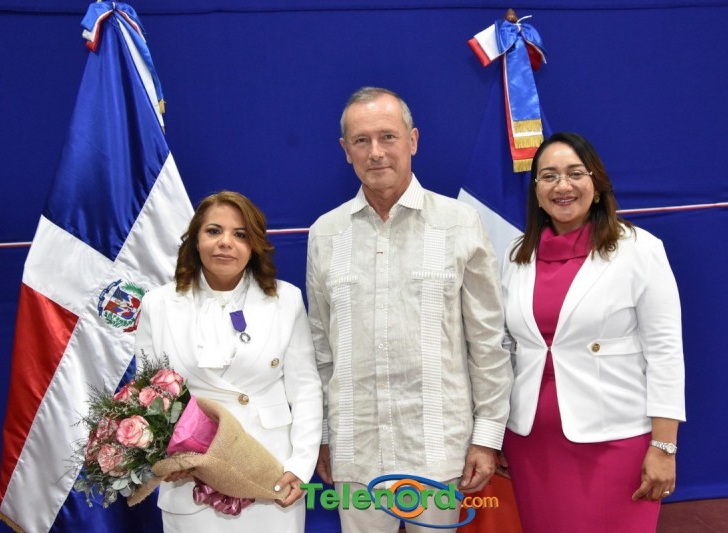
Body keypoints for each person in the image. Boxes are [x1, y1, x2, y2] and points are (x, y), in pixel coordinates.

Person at [306, 87, 513, 532]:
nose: (376, 152)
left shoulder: (459, 223)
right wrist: (322, 436)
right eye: (361, 141)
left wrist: (487, 436)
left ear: (413, 140)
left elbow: (487, 342)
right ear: (345, 150)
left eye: (388, 136)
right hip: (355, 451)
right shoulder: (325, 234)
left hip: (439, 449)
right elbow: (322, 350)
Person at [500, 132, 686, 532]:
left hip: (615, 442)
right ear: (536, 191)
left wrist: (664, 446)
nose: (562, 186)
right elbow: (504, 349)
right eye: (548, 176)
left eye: (574, 173)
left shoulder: (639, 249)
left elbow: (666, 352)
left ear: (596, 185)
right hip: (531, 444)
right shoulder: (515, 256)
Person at [134, 191, 323, 532]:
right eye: (213, 231)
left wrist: (300, 465)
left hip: (270, 469)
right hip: (191, 474)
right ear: (196, 240)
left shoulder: (286, 299)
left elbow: (306, 389)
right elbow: (149, 397)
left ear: (254, 245)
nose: (225, 243)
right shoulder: (157, 304)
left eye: (240, 234)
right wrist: (165, 458)